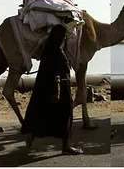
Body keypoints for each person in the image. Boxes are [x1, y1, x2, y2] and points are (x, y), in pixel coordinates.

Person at [19, 25, 83, 155]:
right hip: (60, 90)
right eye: (64, 37)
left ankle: (33, 134)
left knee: (45, 114)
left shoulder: (49, 51)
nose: (65, 39)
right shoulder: (57, 52)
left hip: (48, 90)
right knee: (65, 115)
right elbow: (58, 74)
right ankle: (65, 147)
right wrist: (58, 92)